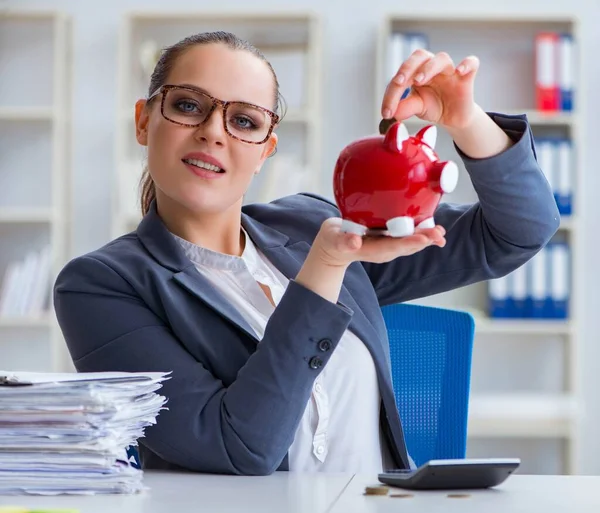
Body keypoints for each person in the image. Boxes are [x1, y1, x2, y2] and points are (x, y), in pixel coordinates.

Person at [53, 31, 559, 476]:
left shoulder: (308, 225)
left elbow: (518, 230)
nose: (213, 131)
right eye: (188, 105)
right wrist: (325, 268)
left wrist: (464, 119)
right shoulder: (99, 286)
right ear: (144, 121)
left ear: (265, 151)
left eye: (244, 121)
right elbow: (240, 447)